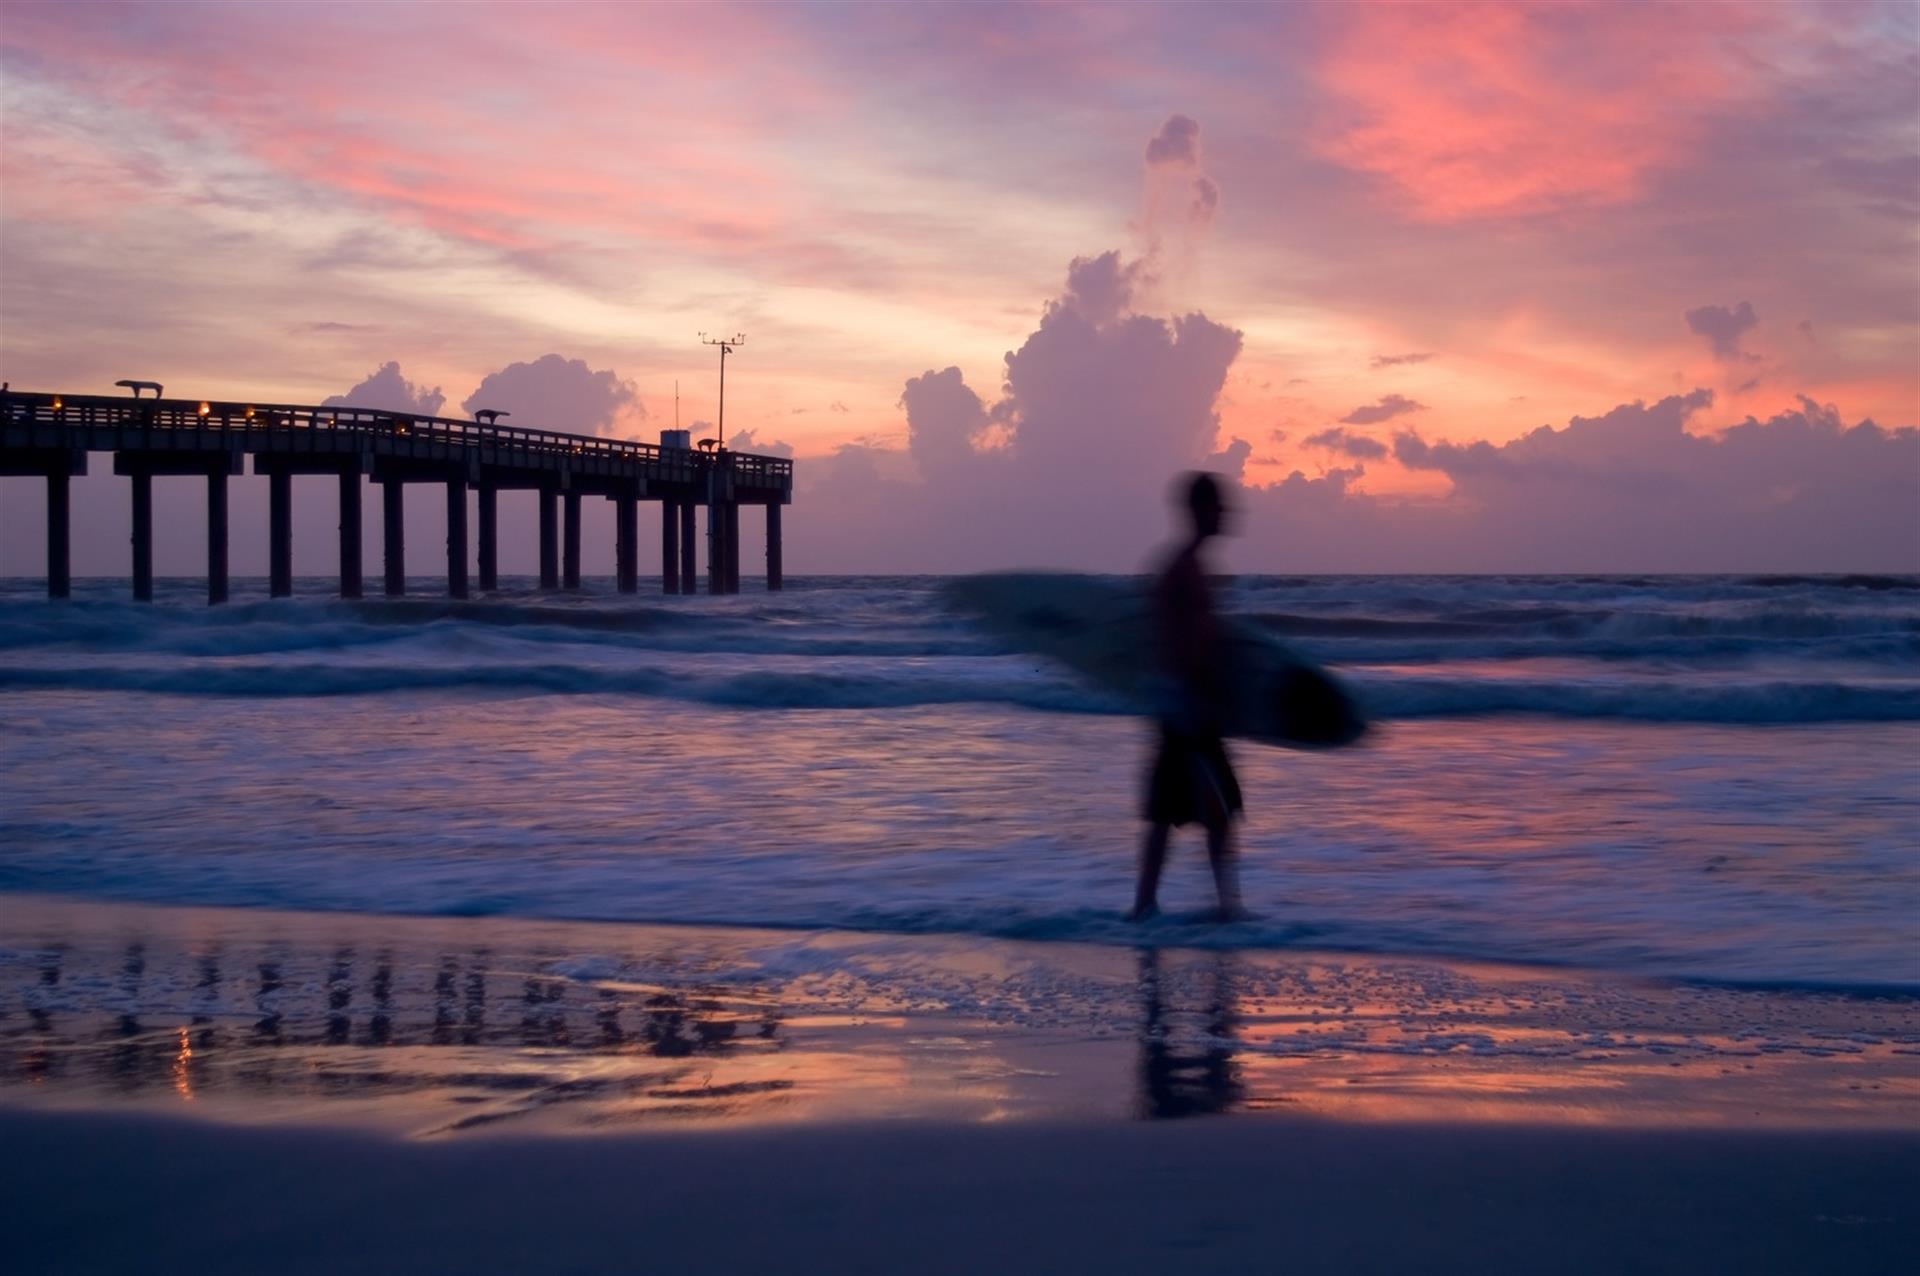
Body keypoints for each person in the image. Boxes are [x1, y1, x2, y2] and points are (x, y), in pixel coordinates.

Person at [1128, 472, 1245, 922]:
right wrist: (1196, 704)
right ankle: (1217, 909)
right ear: (1199, 511)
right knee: (1203, 807)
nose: (1227, 515)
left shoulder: (1186, 568)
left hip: (1183, 705)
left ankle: (1151, 905)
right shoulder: (1184, 571)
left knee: (1182, 810)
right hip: (1187, 708)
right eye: (1219, 506)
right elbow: (1180, 645)